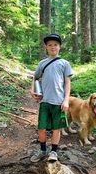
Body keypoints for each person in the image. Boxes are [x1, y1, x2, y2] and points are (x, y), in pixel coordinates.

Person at [30, 33, 73, 162]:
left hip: (59, 102)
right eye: (50, 45)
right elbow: (35, 77)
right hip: (44, 101)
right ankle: (43, 150)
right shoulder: (42, 63)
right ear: (46, 47)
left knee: (56, 129)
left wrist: (66, 100)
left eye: (55, 45)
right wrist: (32, 89)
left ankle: (54, 151)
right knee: (41, 128)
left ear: (59, 47)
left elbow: (67, 82)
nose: (53, 47)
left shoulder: (64, 63)